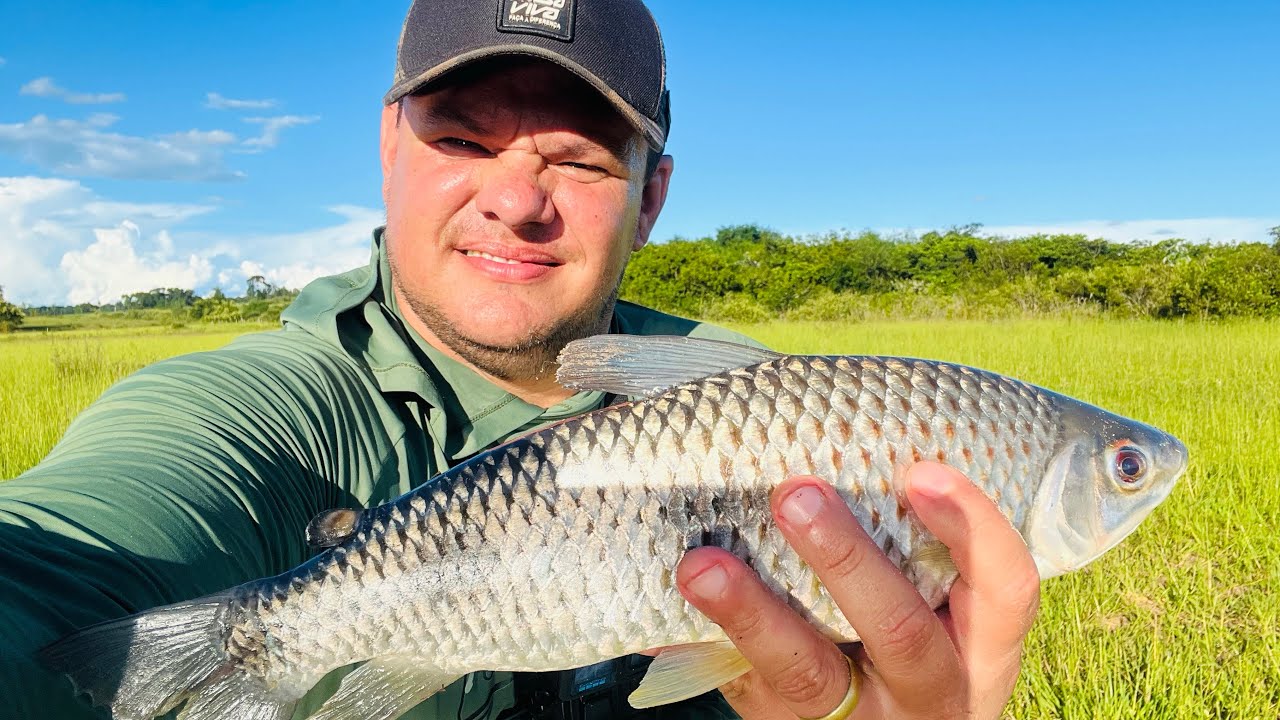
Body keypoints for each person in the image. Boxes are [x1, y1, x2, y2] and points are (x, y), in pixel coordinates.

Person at [0, 1, 1041, 718]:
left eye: (578, 156)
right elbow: (59, 557)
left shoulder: (759, 392)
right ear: (386, 150)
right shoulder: (260, 408)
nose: (514, 197)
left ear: (652, 199)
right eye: (461, 140)